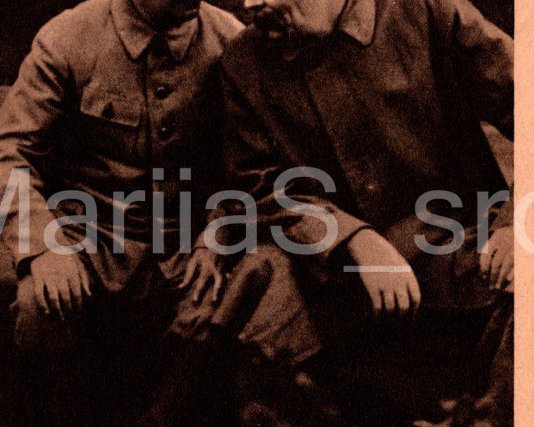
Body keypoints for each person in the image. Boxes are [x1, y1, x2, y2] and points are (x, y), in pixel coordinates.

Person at [219, 0, 514, 424]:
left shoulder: (427, 11)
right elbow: (258, 186)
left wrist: (518, 223)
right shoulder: (243, 60)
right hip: (338, 287)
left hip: (465, 264)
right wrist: (351, 237)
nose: (249, 5)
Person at [0, 0, 245, 424]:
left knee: (219, 326)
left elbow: (244, 160)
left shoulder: (231, 42)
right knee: (40, 306)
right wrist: (43, 246)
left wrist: (217, 236)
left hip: (186, 247)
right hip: (84, 240)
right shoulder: (69, 36)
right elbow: (7, 151)